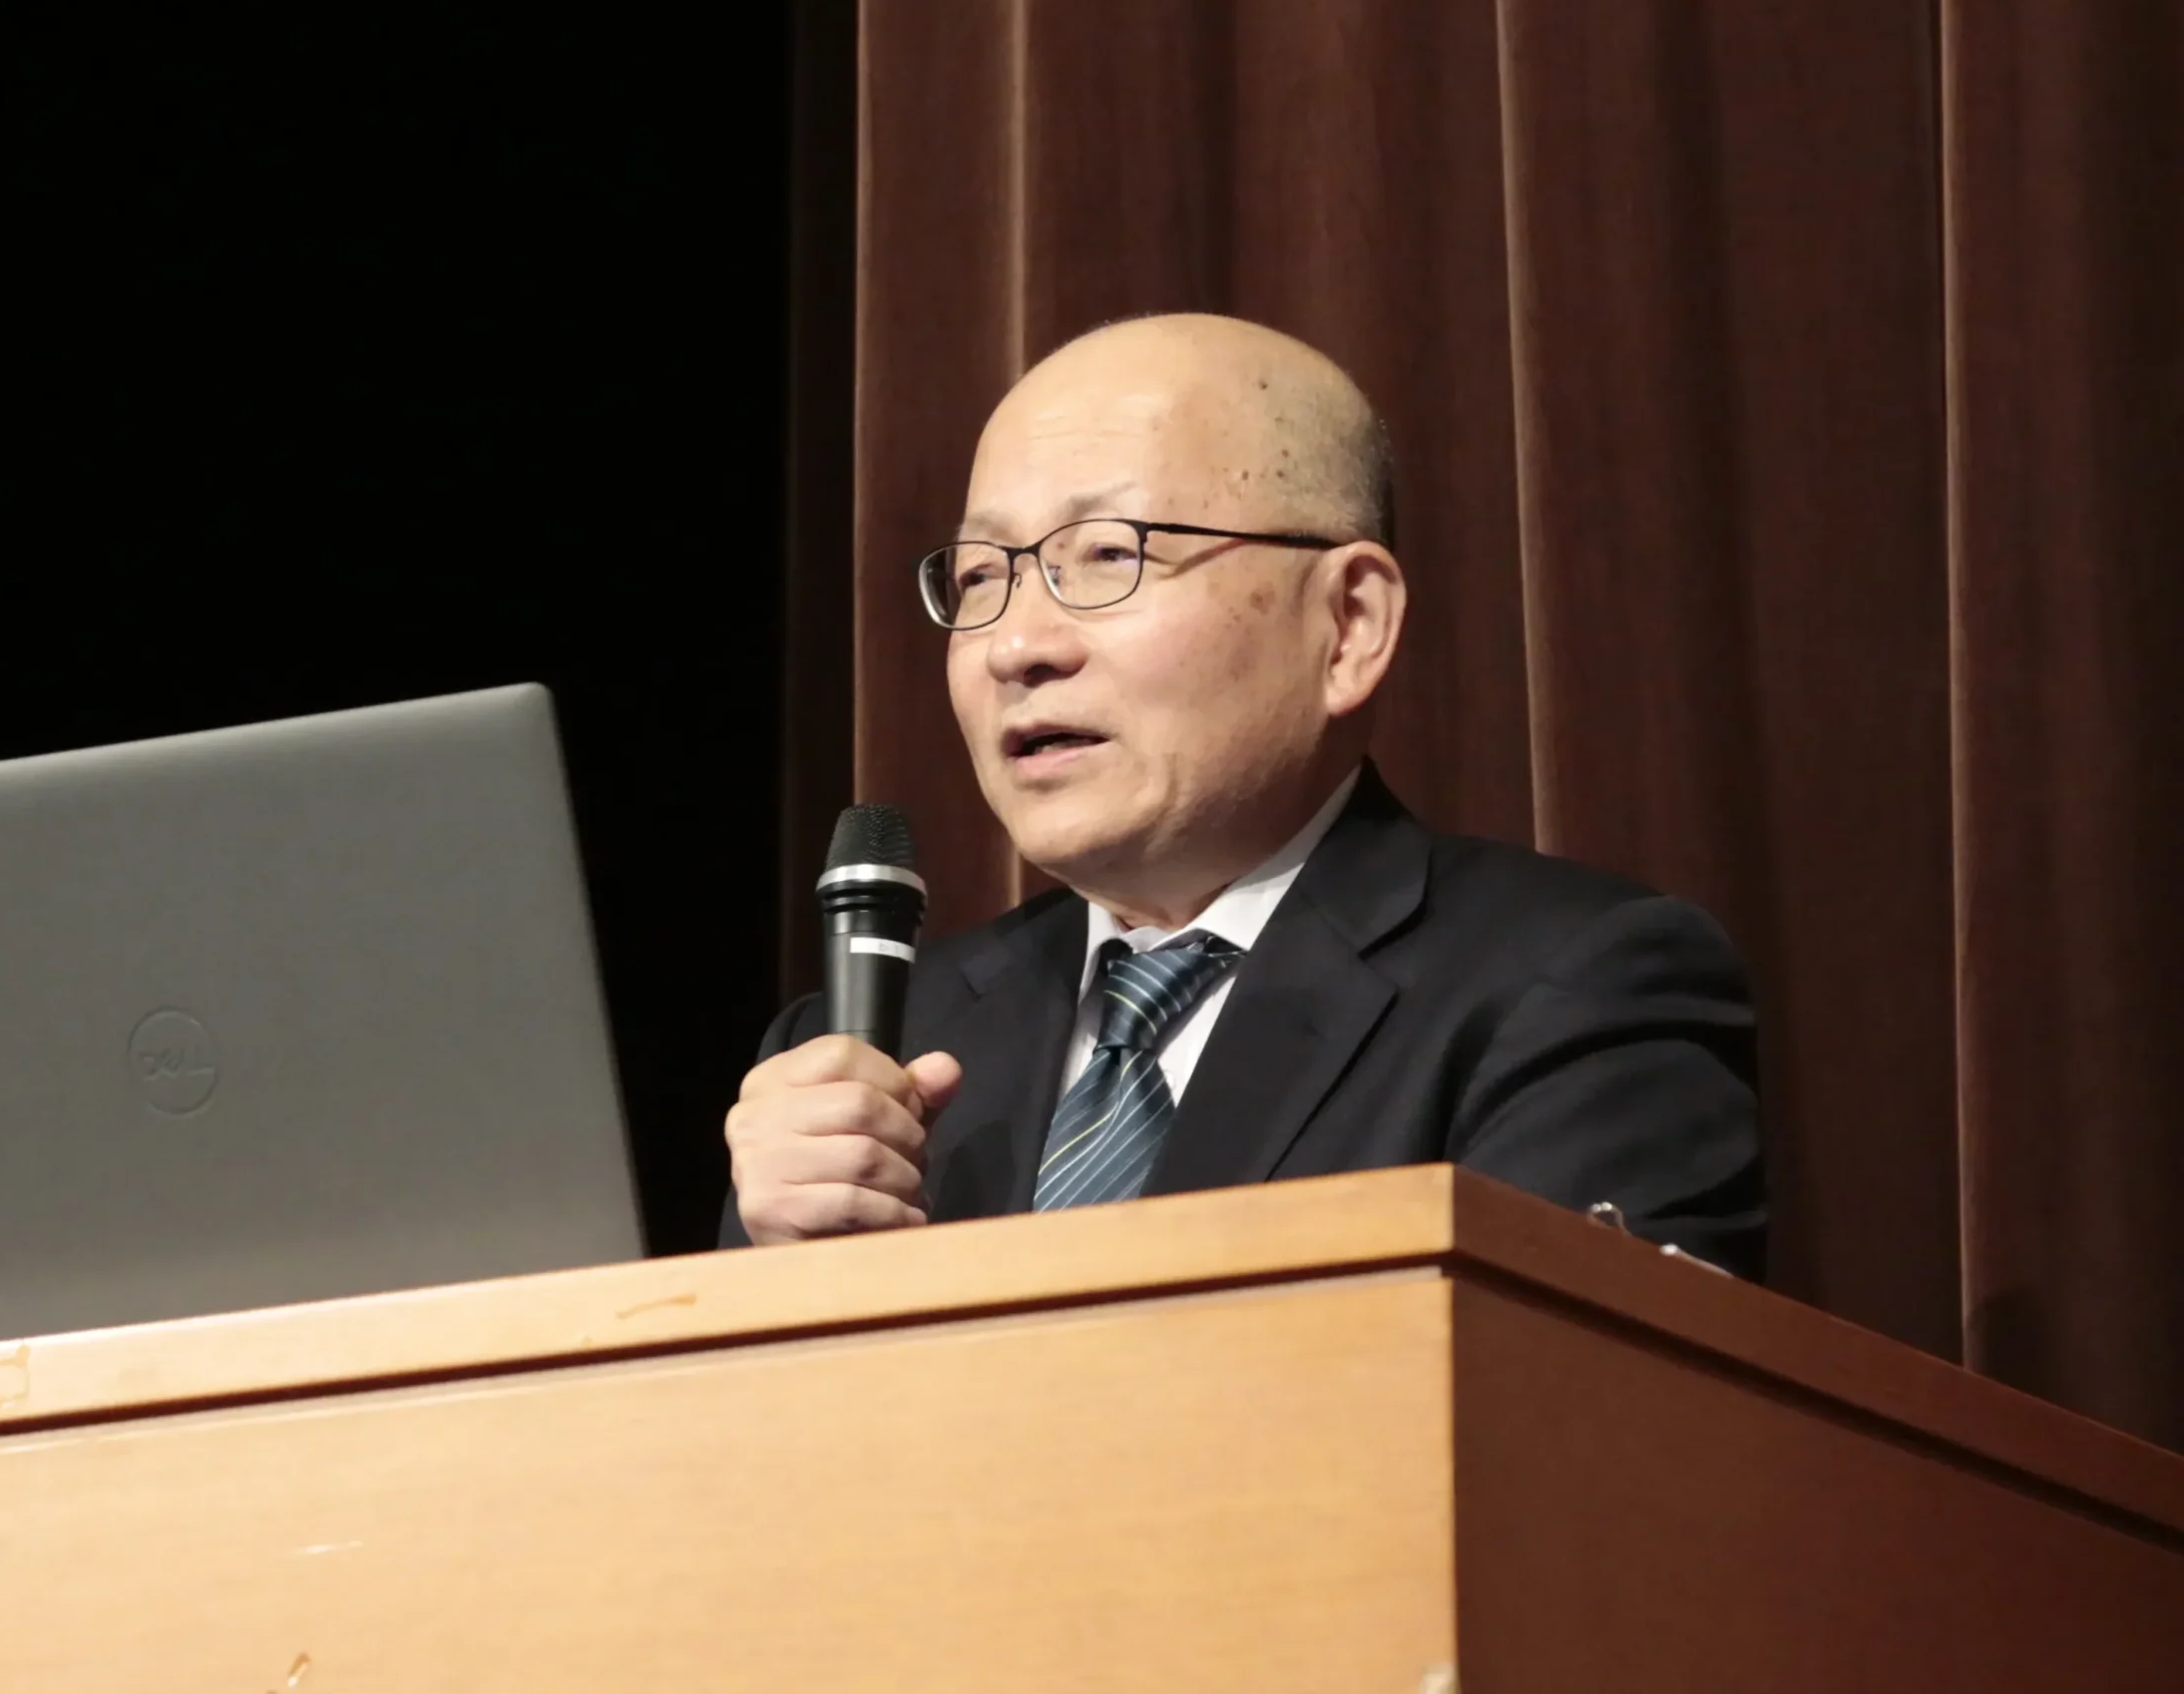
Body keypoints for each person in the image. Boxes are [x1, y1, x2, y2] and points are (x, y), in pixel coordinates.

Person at [721, 313, 1765, 1276]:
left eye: (1109, 555)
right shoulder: (859, 1061)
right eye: (983, 576)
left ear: (1348, 625)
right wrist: (782, 1283)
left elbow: (1570, 1407)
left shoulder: (1572, 989)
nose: (1017, 646)